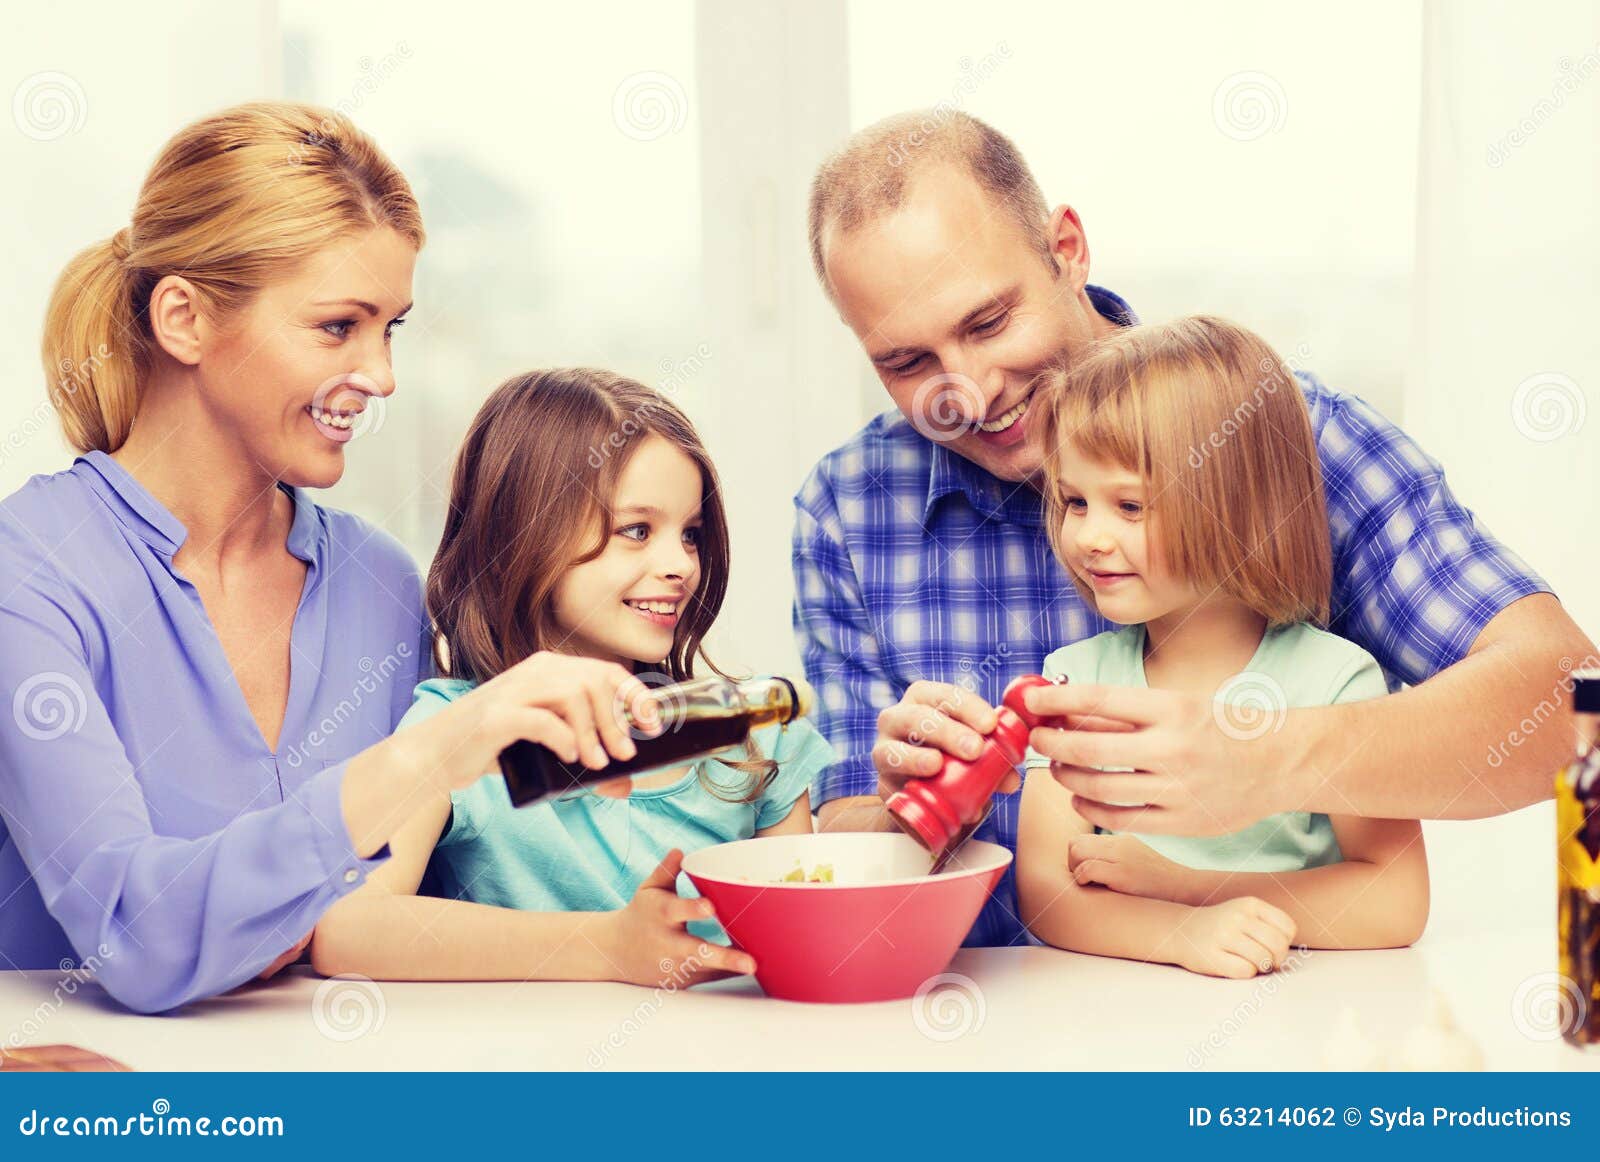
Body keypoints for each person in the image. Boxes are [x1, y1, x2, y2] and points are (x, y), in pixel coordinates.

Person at [793, 109, 1591, 947]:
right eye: (906, 362)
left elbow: (1571, 711)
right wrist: (905, 813)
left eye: (989, 322)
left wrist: (1264, 757)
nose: (969, 391)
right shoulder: (848, 506)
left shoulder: (1276, 435)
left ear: (1066, 251)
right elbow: (846, 865)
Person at [0, 103, 646, 1012]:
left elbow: (407, 899)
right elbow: (136, 936)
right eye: (339, 326)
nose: (381, 375)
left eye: (392, 329)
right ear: (183, 319)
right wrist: (438, 750)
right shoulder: (30, 574)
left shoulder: (378, 582)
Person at [309, 369, 828, 984]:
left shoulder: (756, 742)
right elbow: (346, 933)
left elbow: (808, 941)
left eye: (689, 534)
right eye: (636, 531)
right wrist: (608, 947)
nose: (679, 565)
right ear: (522, 537)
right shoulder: (461, 737)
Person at [1016, 317, 1429, 978]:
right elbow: (1046, 895)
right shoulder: (1074, 683)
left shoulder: (1336, 682)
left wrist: (1188, 886)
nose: (1088, 536)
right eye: (1073, 501)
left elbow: (1395, 902)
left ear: (1238, 507)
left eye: (1128, 506)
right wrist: (1183, 934)